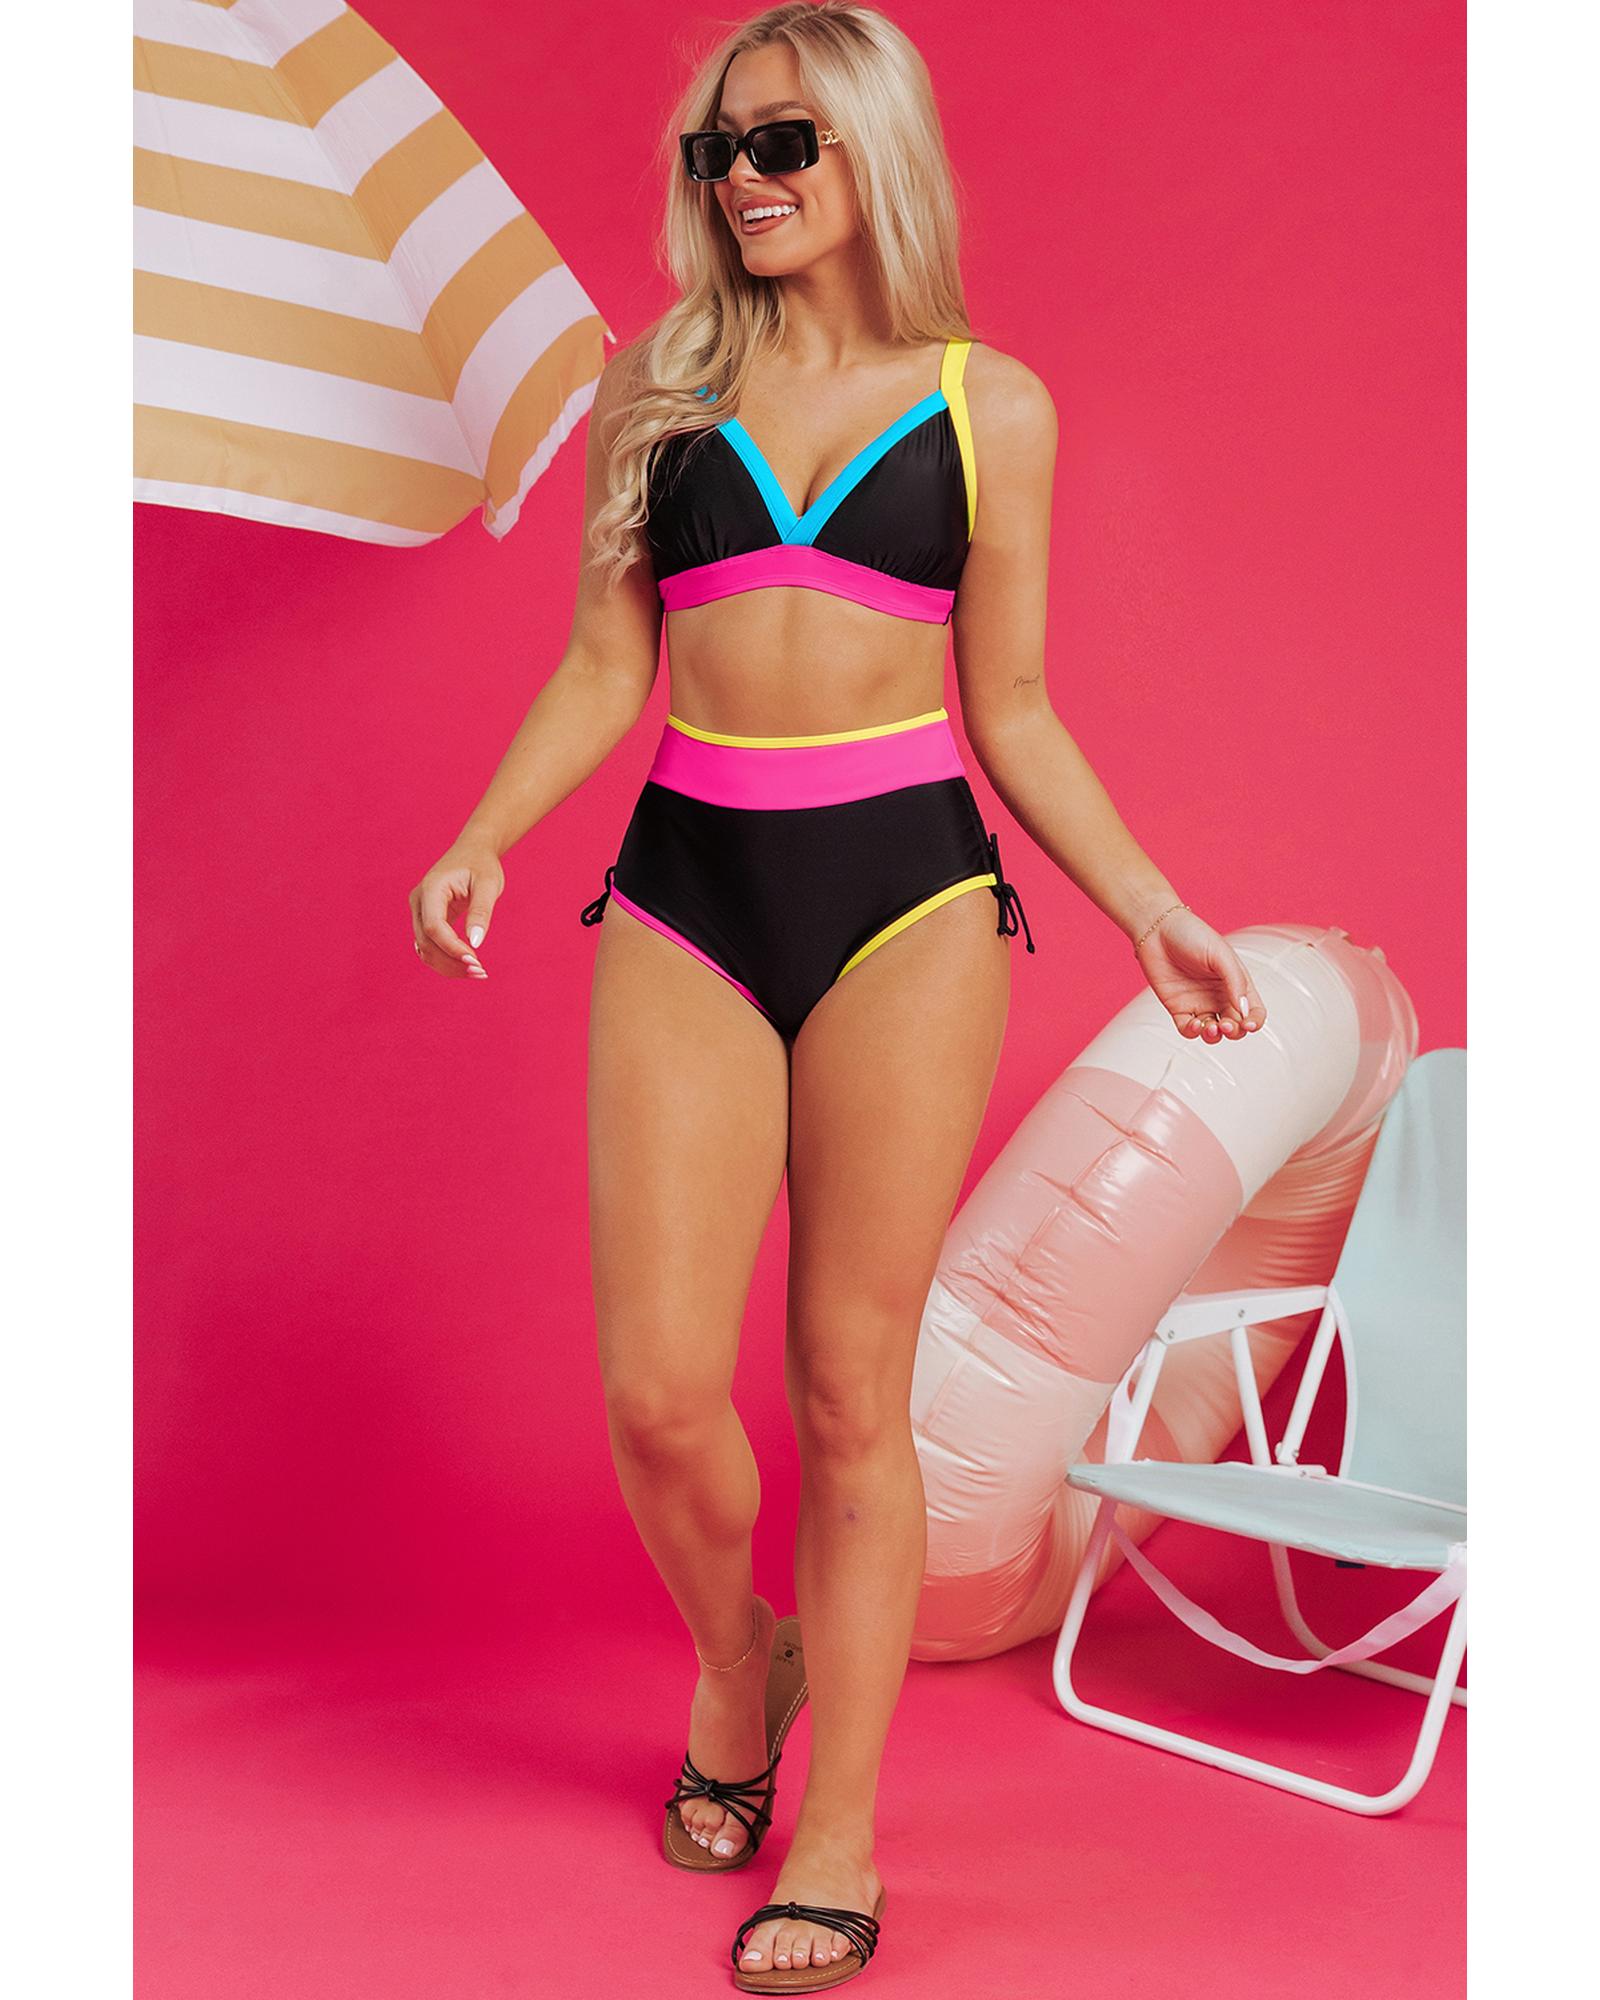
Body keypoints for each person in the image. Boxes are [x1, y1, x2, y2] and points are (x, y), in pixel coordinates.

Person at [409, 3, 1265, 1987]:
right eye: (717, 151)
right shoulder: (658, 389)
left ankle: (845, 1829)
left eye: (783, 140)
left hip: (905, 906)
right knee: (654, 1390)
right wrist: (484, 831)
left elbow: (1014, 706)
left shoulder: (985, 406)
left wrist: (1147, 907)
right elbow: (606, 669)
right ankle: (747, 1661)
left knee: (845, 1392)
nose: (746, 180)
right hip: (686, 890)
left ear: (875, 146)